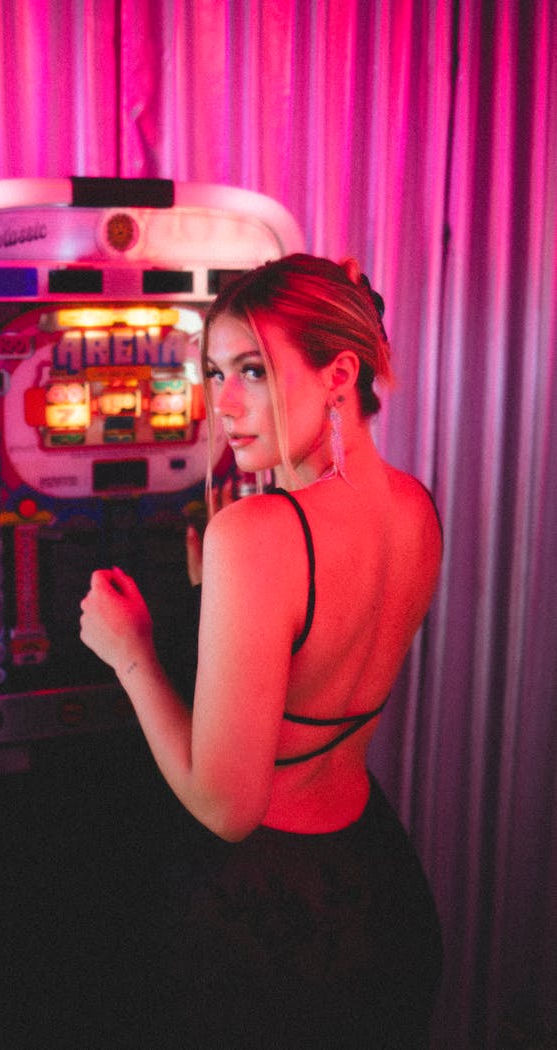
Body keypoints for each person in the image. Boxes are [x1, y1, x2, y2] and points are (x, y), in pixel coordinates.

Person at [80, 254, 443, 1048]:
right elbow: (330, 646)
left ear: (339, 372)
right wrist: (228, 596)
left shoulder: (255, 533)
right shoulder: (416, 505)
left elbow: (228, 809)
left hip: (272, 919)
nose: (225, 404)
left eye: (252, 370)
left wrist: (131, 652)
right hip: (376, 883)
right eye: (214, 374)